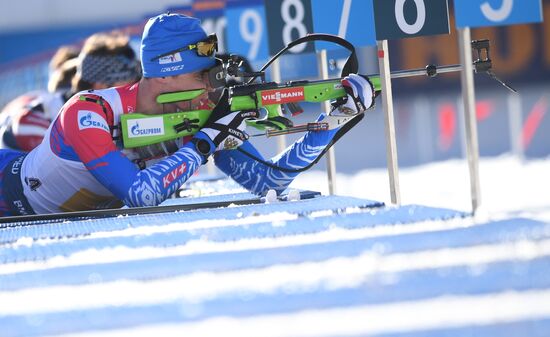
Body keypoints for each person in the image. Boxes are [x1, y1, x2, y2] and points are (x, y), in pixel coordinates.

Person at [0, 13, 375, 216]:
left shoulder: (197, 114)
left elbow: (270, 184)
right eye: (204, 76)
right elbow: (141, 195)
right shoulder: (87, 112)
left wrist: (333, 120)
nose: (212, 89)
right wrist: (206, 140)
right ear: (169, 74)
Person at [0, 32, 141, 152]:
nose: (134, 92)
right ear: (100, 85)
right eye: (128, 85)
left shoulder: (109, 118)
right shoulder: (34, 121)